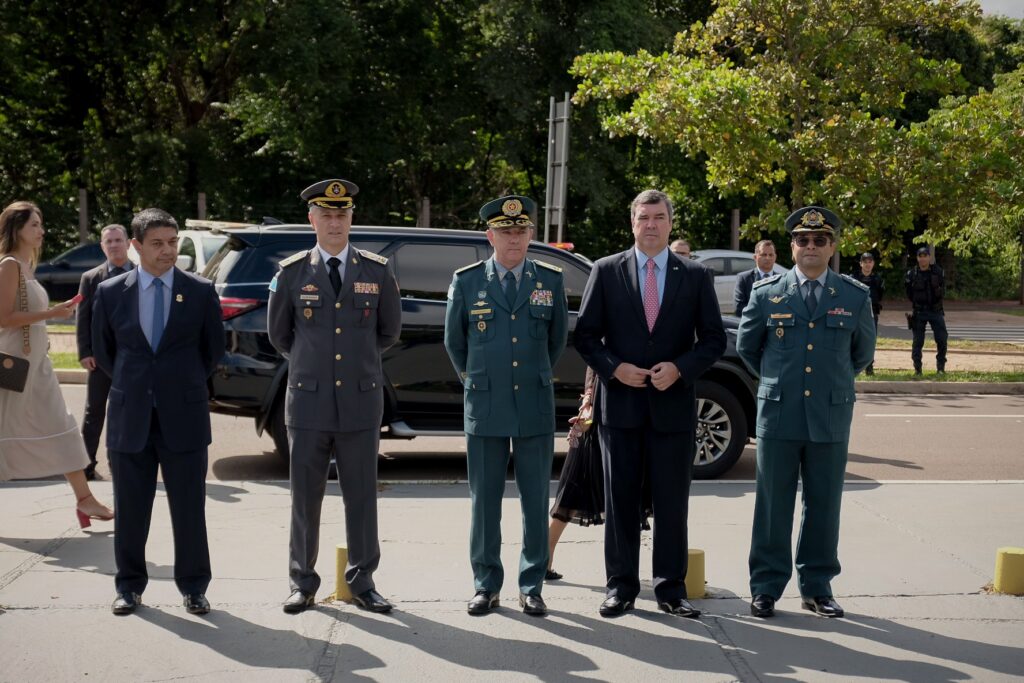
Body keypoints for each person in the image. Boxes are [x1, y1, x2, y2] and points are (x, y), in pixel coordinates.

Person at [574, 189, 726, 618]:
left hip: (673, 408)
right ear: (632, 223)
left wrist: (681, 368)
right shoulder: (606, 271)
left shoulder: (695, 275)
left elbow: (714, 339)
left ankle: (671, 589)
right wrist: (612, 367)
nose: (652, 225)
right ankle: (620, 587)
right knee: (620, 500)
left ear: (670, 223)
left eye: (659, 217)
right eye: (644, 217)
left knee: (672, 503)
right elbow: (585, 336)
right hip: (619, 407)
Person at [268, 178, 402, 615]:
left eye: (341, 214)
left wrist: (350, 366)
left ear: (351, 219)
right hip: (308, 404)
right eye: (326, 214)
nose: (334, 222)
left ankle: (363, 581)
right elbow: (280, 336)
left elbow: (388, 332)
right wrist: (319, 366)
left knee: (361, 496)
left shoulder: (376, 271)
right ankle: (302, 582)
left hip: (361, 403)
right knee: (304, 497)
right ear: (312, 220)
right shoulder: (291, 273)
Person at [736, 206, 875, 620]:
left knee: (824, 503)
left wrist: (831, 383)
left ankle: (817, 587)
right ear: (792, 247)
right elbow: (748, 347)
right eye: (802, 240)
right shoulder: (767, 294)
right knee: (772, 504)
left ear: (833, 246)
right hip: (779, 415)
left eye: (819, 240)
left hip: (829, 415)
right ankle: (765, 587)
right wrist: (779, 381)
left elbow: (862, 353)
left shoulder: (854, 295)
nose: (810, 247)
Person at [92, 207, 225, 616]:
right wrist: (141, 385)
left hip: (183, 416)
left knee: (189, 508)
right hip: (130, 416)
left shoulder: (200, 292)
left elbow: (212, 353)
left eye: (172, 242)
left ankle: (194, 587)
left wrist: (176, 384)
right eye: (157, 244)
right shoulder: (111, 292)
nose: (168, 251)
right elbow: (105, 353)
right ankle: (129, 586)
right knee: (131, 509)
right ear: (136, 247)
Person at [444, 194, 568, 617]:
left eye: (521, 231)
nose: (513, 239)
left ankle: (531, 583)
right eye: (505, 231)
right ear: (489, 235)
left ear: (532, 234)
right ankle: (485, 584)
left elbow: (557, 341)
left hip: (533, 402)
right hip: (486, 403)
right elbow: (454, 342)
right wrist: (478, 380)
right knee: (485, 501)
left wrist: (528, 375)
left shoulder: (549, 280)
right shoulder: (467, 281)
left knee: (535, 500)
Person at [0, 201, 113, 527]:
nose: (41, 230)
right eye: (34, 224)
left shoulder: (24, 266)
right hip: (15, 366)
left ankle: (85, 499)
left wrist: (45, 326)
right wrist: (52, 313)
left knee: (61, 427)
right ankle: (85, 499)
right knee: (7, 430)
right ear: (16, 228)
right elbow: (5, 319)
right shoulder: (9, 265)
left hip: (37, 365)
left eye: (40, 223)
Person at [545, 366, 652, 582]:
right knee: (575, 491)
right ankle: (544, 560)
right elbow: (593, 363)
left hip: (614, 410)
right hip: (603, 413)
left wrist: (587, 399)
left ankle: (543, 562)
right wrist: (588, 399)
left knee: (574, 493)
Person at [76, 224, 134, 479]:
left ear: (129, 243)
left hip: (132, 358)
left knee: (127, 412)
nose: (113, 245)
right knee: (94, 411)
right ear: (102, 246)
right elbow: (83, 318)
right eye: (108, 241)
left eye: (118, 240)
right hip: (99, 358)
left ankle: (120, 463)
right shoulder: (91, 278)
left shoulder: (141, 274)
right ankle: (86, 463)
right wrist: (85, 351)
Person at [905, 245, 947, 375]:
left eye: (925, 256)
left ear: (929, 257)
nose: (923, 259)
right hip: (919, 312)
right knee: (918, 342)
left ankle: (940, 368)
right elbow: (909, 293)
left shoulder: (938, 272)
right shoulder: (912, 274)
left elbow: (943, 290)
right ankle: (918, 369)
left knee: (942, 339)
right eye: (920, 256)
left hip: (935, 311)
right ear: (917, 258)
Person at [850, 251, 883, 375]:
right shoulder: (853, 278)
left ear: (873, 263)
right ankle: (852, 366)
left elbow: (879, 295)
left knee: (870, 339)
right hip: (854, 312)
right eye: (865, 262)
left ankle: (869, 368)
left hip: (871, 313)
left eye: (870, 262)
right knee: (851, 339)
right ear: (860, 263)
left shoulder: (877, 279)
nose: (868, 264)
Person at [734, 239, 778, 316]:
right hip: (752, 325)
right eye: (764, 255)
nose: (768, 258)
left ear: (775, 257)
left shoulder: (781, 279)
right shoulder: (744, 278)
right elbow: (739, 307)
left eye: (771, 255)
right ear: (755, 257)